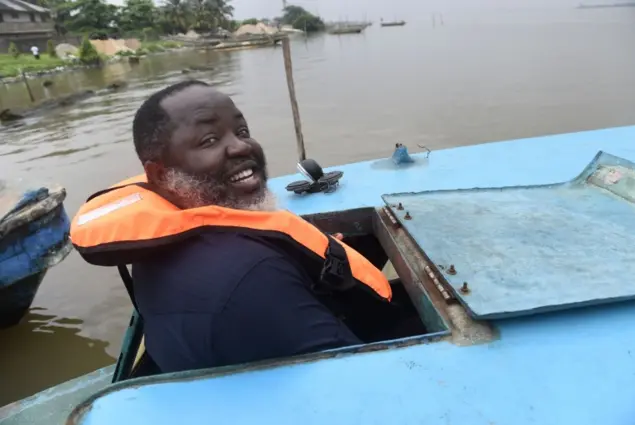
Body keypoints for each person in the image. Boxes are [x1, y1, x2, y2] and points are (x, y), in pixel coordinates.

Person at [70, 80, 396, 374]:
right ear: (158, 175)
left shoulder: (169, 237)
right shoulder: (253, 276)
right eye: (209, 139)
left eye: (241, 132)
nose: (242, 147)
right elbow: (360, 384)